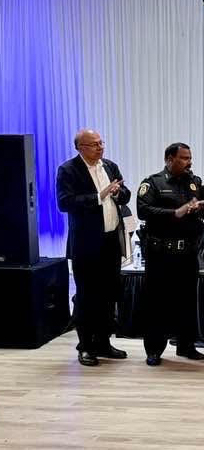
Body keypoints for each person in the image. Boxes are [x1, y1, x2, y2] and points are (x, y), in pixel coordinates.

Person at [136, 142, 204, 366]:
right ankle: (154, 350)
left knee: (187, 301)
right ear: (169, 159)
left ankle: (186, 346)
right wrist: (176, 213)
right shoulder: (153, 183)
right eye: (184, 158)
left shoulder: (194, 182)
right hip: (161, 254)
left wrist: (200, 207)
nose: (189, 162)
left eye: (189, 158)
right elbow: (143, 210)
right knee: (157, 303)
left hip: (188, 254)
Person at [56, 129, 131, 366]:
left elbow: (125, 195)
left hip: (110, 242)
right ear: (81, 148)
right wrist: (99, 196)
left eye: (101, 143)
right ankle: (86, 346)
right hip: (86, 245)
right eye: (94, 144)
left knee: (109, 295)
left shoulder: (109, 166)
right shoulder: (68, 170)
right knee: (88, 297)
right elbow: (65, 203)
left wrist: (118, 193)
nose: (100, 147)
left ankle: (103, 343)